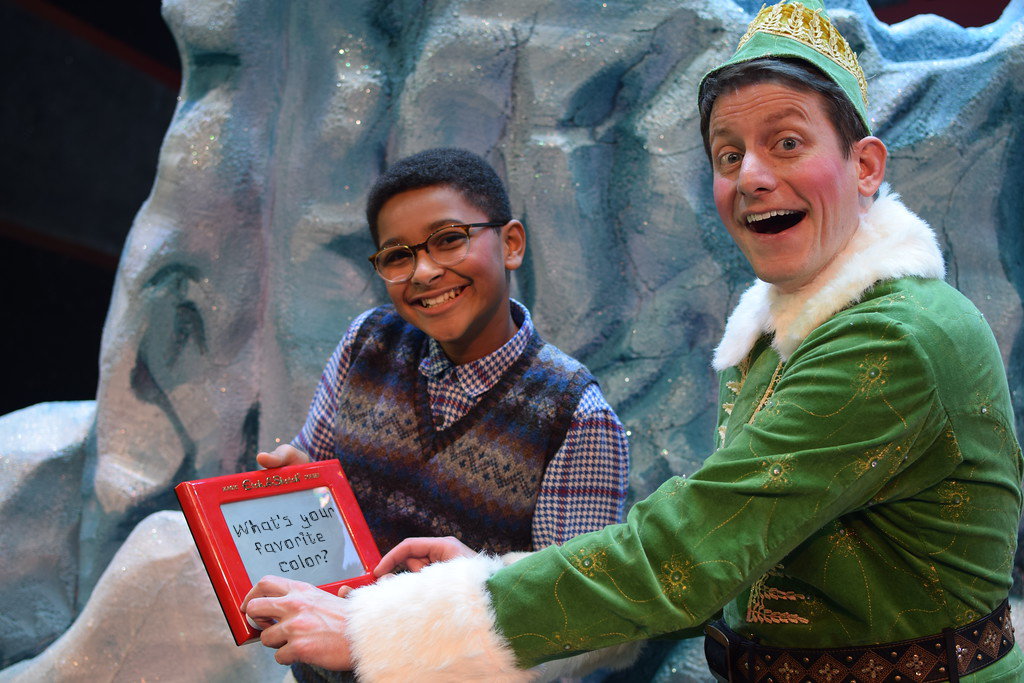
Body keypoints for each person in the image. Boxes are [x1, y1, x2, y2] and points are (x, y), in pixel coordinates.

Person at [245, 2, 1024, 681]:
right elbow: (735, 553)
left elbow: (683, 554)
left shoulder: (889, 340)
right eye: (728, 154)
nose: (752, 175)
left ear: (865, 166)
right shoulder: (788, 335)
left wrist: (385, 625)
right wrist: (481, 576)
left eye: (787, 143)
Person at [247, 147, 630, 681]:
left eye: (449, 239)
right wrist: (299, 488)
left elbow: (574, 618)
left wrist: (467, 586)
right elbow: (320, 487)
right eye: (397, 255)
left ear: (511, 244)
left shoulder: (576, 414)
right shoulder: (368, 341)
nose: (424, 271)